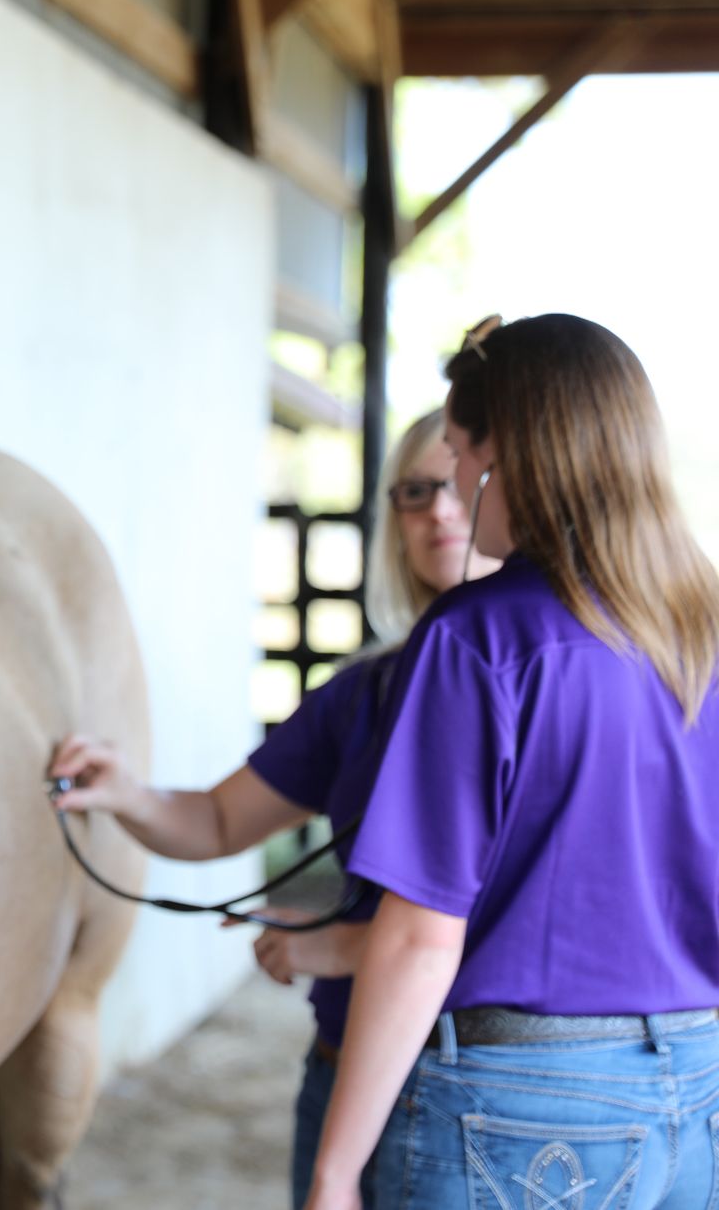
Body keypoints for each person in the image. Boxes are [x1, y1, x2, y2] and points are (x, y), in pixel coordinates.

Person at [305, 313, 719, 1210]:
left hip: (523, 1105)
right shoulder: (702, 629)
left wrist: (335, 1170)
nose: (453, 478)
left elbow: (420, 938)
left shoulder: (477, 637)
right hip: (699, 1085)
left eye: (459, 449)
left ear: (514, 455)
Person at [49, 405, 497, 1208]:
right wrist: (123, 792)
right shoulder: (367, 691)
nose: (441, 509)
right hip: (343, 1064)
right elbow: (219, 821)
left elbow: (543, 915)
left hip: (473, 1081)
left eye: (460, 482)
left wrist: (345, 947)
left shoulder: (537, 678)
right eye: (416, 491)